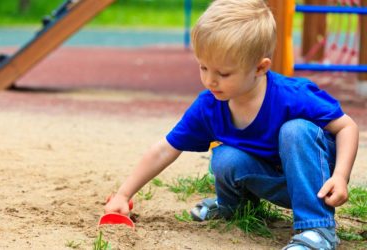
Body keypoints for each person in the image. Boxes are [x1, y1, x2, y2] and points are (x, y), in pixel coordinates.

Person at [105, 0, 359, 249]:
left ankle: (317, 229)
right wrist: (123, 195)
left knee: (295, 130)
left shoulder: (291, 95)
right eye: (203, 67)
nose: (210, 81)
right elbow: (165, 148)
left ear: (260, 68)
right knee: (225, 156)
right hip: (274, 183)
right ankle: (234, 207)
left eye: (223, 74)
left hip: (316, 183)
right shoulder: (210, 105)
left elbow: (347, 127)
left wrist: (340, 177)